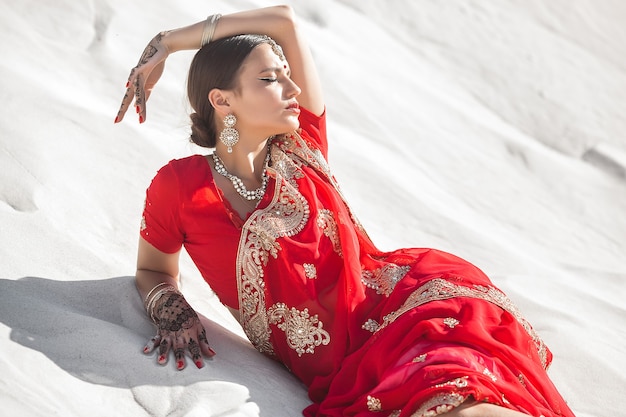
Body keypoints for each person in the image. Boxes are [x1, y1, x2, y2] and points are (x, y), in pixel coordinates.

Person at [115, 6, 575, 417]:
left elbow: (285, 20)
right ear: (222, 100)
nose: (293, 87)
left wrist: (168, 42)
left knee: (463, 392)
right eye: (271, 79)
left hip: (411, 309)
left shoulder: (303, 144)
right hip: (348, 366)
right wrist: (171, 309)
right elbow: (152, 269)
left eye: (286, 72)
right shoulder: (178, 187)